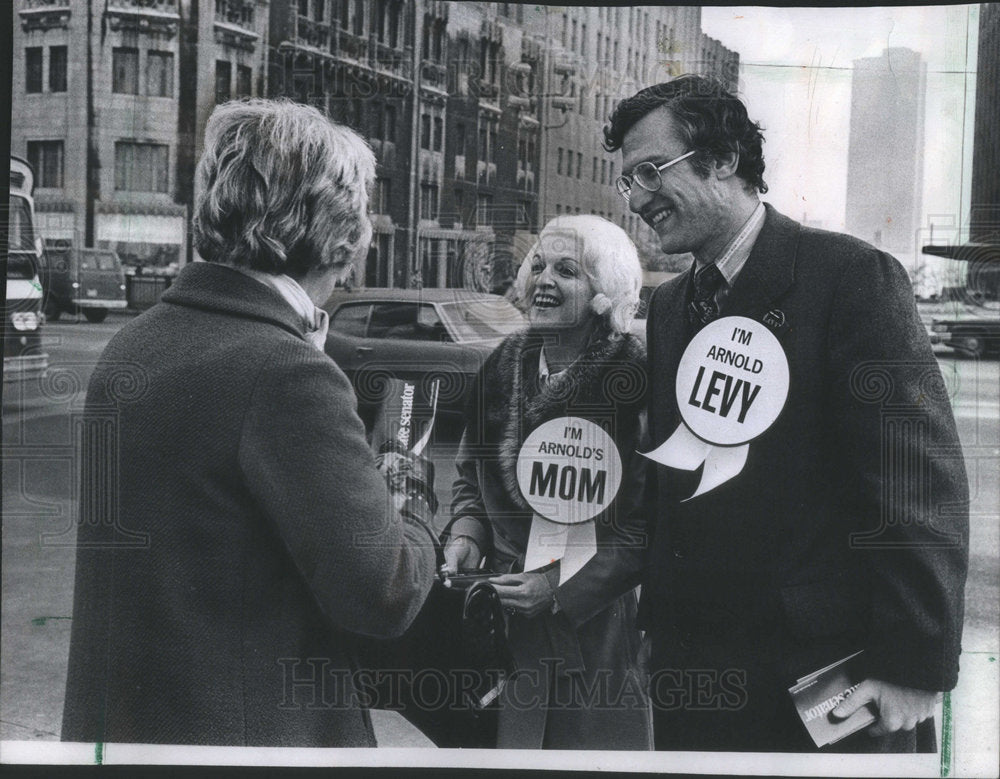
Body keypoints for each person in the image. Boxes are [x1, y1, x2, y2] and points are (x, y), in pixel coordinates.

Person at [603, 75, 969, 752]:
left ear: (723, 158)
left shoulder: (851, 279)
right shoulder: (668, 307)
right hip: (696, 678)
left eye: (651, 171)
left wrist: (913, 665)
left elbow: (917, 485)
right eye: (628, 182)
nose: (638, 198)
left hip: (823, 680)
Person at [61, 100, 439, 747]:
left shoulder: (135, 342)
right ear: (338, 232)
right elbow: (385, 589)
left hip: (133, 731)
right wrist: (405, 485)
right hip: (250, 733)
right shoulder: (286, 371)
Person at [442, 215, 653, 750]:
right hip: (507, 616)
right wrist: (468, 533)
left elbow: (650, 523)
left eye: (567, 270)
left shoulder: (635, 381)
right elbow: (471, 472)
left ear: (605, 292)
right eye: (537, 265)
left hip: (595, 626)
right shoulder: (500, 365)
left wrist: (560, 589)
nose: (543, 280)